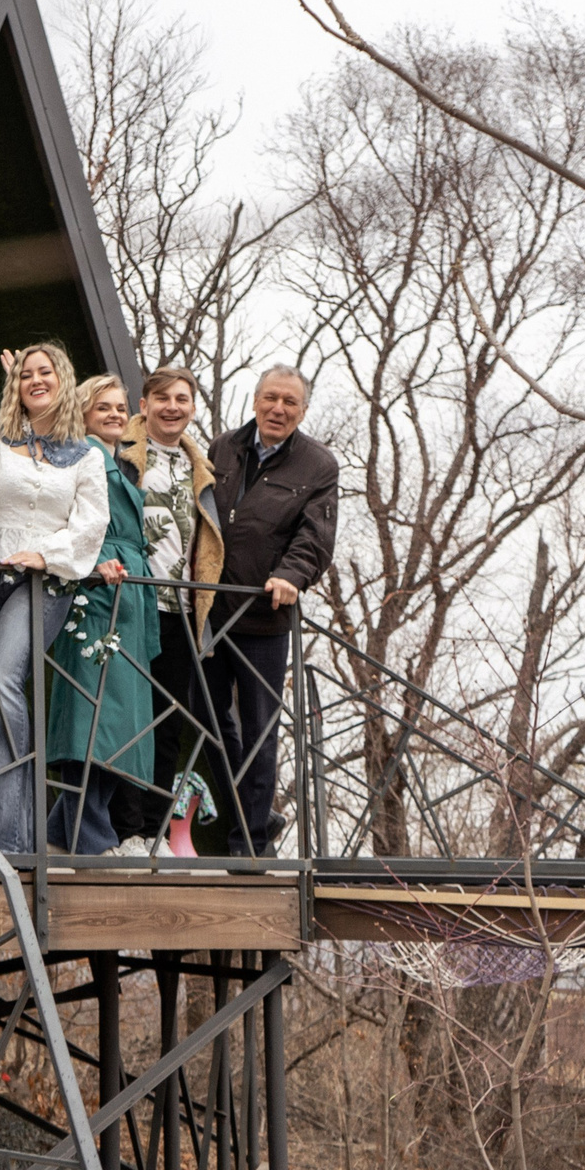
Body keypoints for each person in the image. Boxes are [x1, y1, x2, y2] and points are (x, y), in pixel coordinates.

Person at [0, 342, 109, 857]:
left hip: (43, 581)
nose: (36, 379)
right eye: (27, 373)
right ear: (17, 385)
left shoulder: (87, 456)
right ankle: (6, 836)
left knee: (2, 679)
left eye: (46, 372)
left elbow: (90, 524)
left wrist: (46, 553)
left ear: (63, 380)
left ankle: (0, 841)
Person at [205, 365, 337, 857]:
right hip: (212, 609)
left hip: (263, 615)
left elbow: (315, 538)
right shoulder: (222, 449)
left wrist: (291, 575)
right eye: (270, 398)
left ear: (302, 411)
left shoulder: (317, 466)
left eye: (290, 403)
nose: (278, 409)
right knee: (206, 717)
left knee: (261, 728)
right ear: (255, 400)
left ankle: (250, 841)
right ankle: (251, 809)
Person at [44, 376, 161, 856]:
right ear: (83, 412)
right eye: (102, 408)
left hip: (130, 597)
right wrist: (89, 566)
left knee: (123, 725)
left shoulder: (121, 465)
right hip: (96, 594)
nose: (114, 415)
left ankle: (58, 831)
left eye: (119, 407)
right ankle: (90, 836)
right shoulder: (77, 457)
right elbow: (59, 521)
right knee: (91, 720)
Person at [112, 367, 225, 858]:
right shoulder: (122, 454)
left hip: (182, 609)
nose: (172, 407)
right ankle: (125, 829)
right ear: (144, 404)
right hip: (134, 602)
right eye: (162, 398)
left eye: (182, 399)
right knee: (128, 718)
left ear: (193, 407)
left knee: (168, 722)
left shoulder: (199, 465)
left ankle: (157, 830)